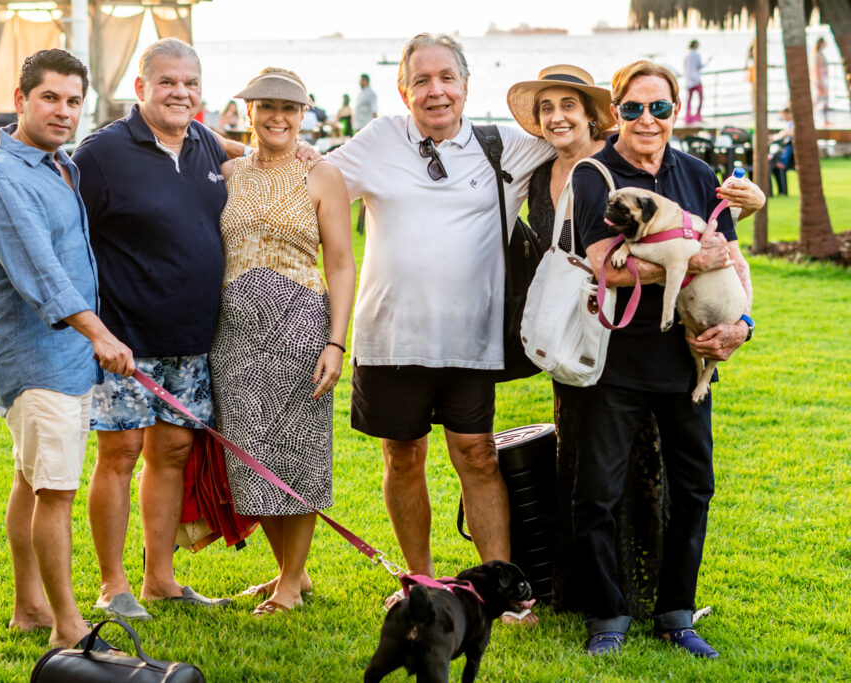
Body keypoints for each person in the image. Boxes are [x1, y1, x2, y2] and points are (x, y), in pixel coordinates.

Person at [508, 64, 764, 617]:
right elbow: (604, 266)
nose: (647, 120)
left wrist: (743, 327)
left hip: (686, 358)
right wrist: (686, 259)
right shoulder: (593, 175)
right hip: (611, 361)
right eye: (633, 108)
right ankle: (607, 614)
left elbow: (734, 260)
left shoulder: (698, 172)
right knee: (596, 496)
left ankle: (676, 611)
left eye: (661, 108)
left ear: (676, 111)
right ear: (615, 112)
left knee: (694, 491)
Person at [325, 33, 555, 624]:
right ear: (403, 89)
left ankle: (500, 591)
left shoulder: (505, 147)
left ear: (466, 85)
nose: (436, 90)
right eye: (422, 80)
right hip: (389, 337)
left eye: (447, 77)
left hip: (472, 340)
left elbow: (586, 140)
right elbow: (311, 183)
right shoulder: (377, 140)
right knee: (403, 458)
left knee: (477, 456)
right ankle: (421, 582)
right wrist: (215, 146)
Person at [0, 49, 135, 649]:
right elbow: (44, 275)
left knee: (34, 480)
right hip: (36, 359)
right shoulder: (4, 178)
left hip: (62, 359)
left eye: (73, 101)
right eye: (50, 98)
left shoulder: (58, 164)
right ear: (20, 100)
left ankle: (30, 607)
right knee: (58, 491)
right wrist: (102, 335)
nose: (63, 111)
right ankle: (69, 626)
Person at [71, 37, 233, 621]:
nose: (180, 92)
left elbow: (256, 152)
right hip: (123, 342)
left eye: (190, 83)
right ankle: (113, 585)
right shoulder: (102, 153)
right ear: (140, 88)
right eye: (167, 82)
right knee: (120, 453)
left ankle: (160, 578)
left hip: (191, 339)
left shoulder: (207, 145)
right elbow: (53, 215)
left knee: (174, 452)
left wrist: (305, 152)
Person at [212, 68, 356, 616]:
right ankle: (286, 572)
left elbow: (341, 265)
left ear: (305, 115)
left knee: (298, 457)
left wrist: (336, 343)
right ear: (247, 110)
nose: (278, 117)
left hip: (299, 328)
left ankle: (291, 584)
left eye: (290, 109)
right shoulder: (227, 172)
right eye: (267, 106)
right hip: (234, 337)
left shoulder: (321, 175)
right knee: (253, 460)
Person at [682, 40, 707, 124]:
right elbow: (699, 66)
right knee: (700, 98)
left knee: (689, 100)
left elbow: (685, 68)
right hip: (696, 80)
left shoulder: (687, 56)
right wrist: (707, 62)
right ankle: (697, 116)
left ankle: (688, 117)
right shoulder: (697, 55)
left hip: (689, 81)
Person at [813, 37, 830, 126]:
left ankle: (825, 120)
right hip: (821, 79)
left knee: (821, 100)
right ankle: (824, 120)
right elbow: (817, 69)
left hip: (822, 79)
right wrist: (820, 82)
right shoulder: (819, 55)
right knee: (820, 100)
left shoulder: (819, 54)